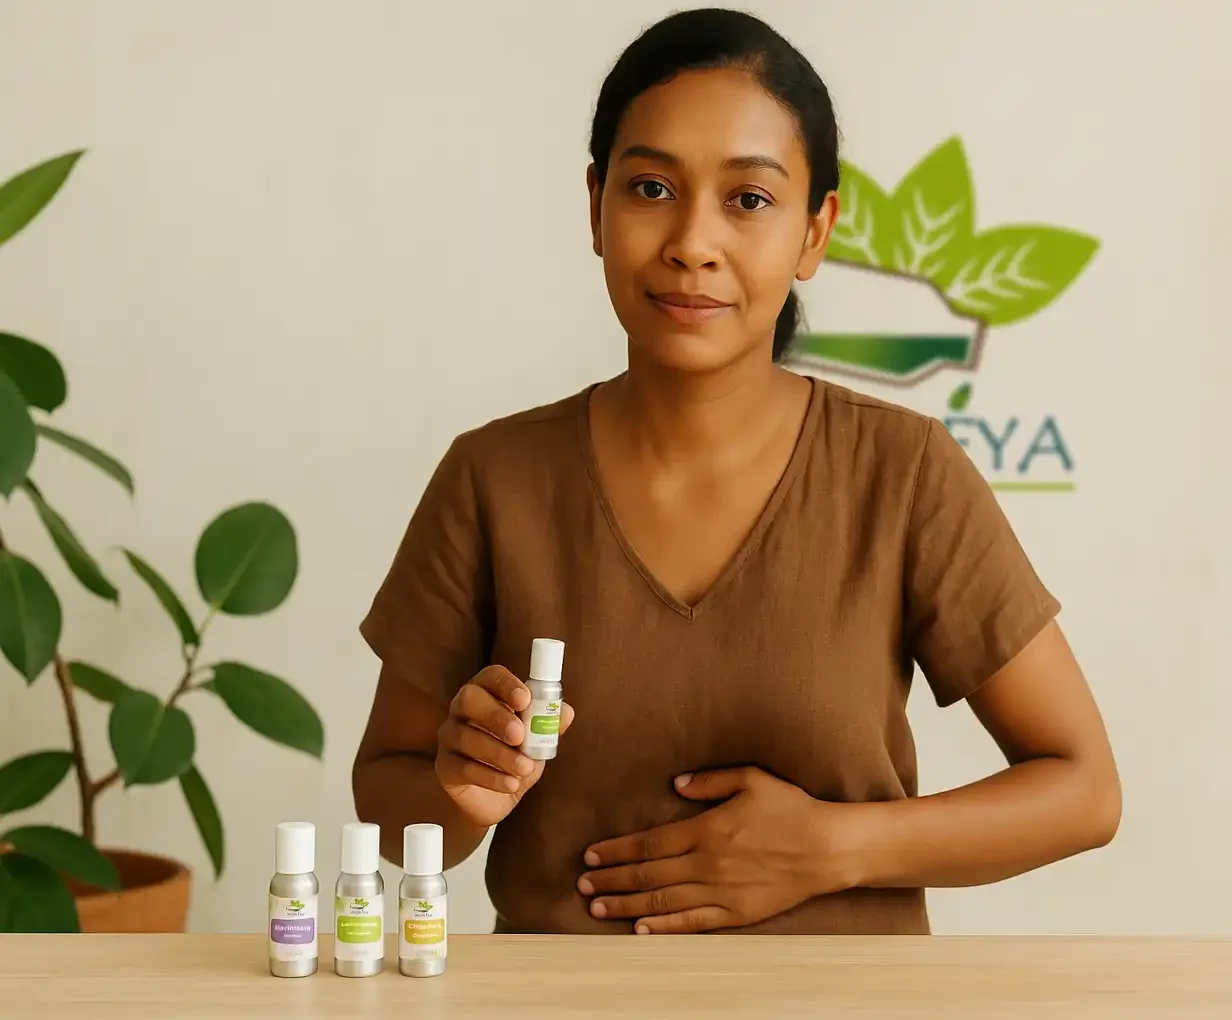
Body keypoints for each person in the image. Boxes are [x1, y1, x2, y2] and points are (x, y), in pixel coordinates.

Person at [352, 6, 1119, 936]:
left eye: (748, 200)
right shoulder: (493, 478)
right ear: (594, 206)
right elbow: (387, 807)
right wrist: (460, 792)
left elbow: (1083, 790)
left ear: (815, 231)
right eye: (648, 188)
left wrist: (831, 848)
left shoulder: (904, 473)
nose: (692, 242)